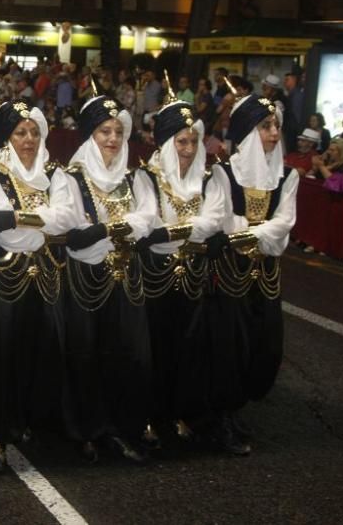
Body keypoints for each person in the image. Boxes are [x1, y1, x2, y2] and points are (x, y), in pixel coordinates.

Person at [61, 87, 156, 463]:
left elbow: (147, 220)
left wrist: (107, 228)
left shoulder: (134, 178)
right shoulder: (71, 178)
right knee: (86, 355)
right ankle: (86, 429)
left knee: (128, 354)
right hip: (86, 281)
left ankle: (119, 427)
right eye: (104, 132)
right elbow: (75, 236)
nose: (113, 139)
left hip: (126, 278)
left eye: (119, 131)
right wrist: (120, 228)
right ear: (89, 135)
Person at [0, 100, 74, 467]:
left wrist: (17, 217)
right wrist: (39, 224)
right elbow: (2, 233)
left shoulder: (56, 173)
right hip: (5, 280)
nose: (29, 139)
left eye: (34, 131)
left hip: (46, 278)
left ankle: (33, 420)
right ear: (7, 137)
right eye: (20, 132)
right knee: (3, 354)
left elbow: (66, 219)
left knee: (42, 349)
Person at [205, 90, 298, 454]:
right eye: (265, 126)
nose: (274, 133)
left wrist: (244, 234)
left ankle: (235, 406)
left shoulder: (287, 176)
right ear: (247, 131)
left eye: (275, 125)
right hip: (231, 276)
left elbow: (282, 228)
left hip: (266, 276)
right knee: (230, 348)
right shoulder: (224, 174)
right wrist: (254, 232)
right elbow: (222, 222)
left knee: (266, 348)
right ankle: (221, 417)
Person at [131, 92, 226, 450]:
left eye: (193, 140)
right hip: (156, 277)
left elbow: (214, 221)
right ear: (167, 142)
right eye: (181, 141)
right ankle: (148, 416)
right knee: (153, 348)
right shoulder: (146, 177)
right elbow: (149, 228)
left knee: (190, 348)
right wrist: (190, 231)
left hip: (193, 278)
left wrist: (174, 231)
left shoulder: (208, 177)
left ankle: (182, 412)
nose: (188, 148)